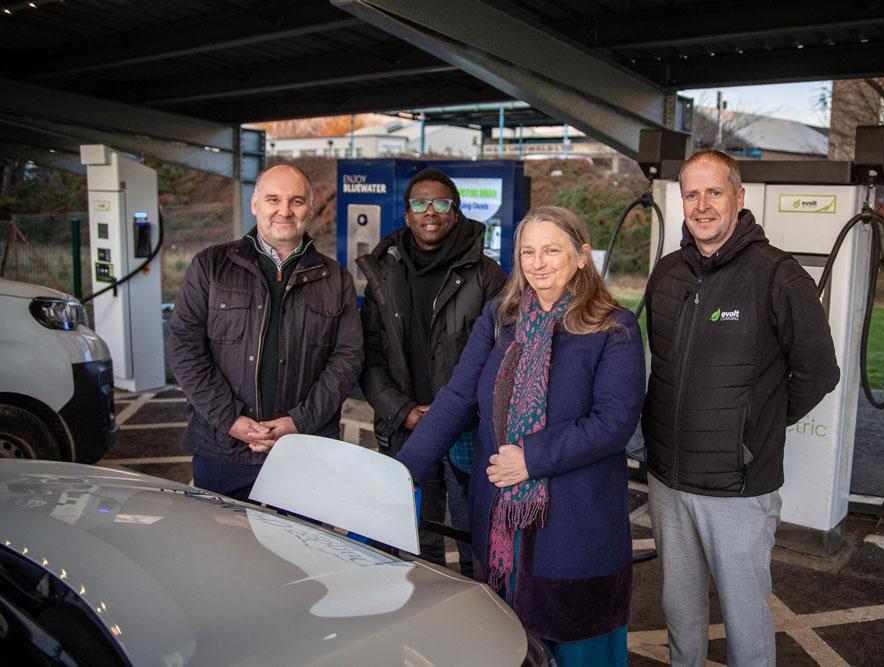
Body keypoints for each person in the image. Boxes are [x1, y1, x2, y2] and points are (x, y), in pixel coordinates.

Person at [396, 205, 645, 666]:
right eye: (528, 252)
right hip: (499, 519)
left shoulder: (614, 327)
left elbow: (614, 423)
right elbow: (457, 397)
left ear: (582, 256)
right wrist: (401, 472)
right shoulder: (500, 318)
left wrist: (531, 458)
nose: (538, 263)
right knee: (504, 642)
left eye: (551, 250)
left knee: (577, 645)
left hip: (575, 522)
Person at [642, 150, 840, 666]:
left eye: (714, 192)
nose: (702, 205)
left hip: (737, 488)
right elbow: (661, 364)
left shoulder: (777, 275)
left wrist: (755, 428)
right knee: (679, 613)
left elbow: (820, 371)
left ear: (739, 196)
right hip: (667, 481)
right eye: (691, 194)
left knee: (745, 620)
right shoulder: (667, 272)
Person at [168, 163, 364, 501]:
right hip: (222, 449)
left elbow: (348, 358)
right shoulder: (211, 266)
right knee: (219, 535)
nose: (284, 211)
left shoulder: (335, 278)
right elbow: (184, 348)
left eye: (296, 201)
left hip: (305, 450)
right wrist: (230, 418)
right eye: (273, 199)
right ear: (254, 204)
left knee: (299, 537)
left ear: (310, 208)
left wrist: (298, 422)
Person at [357, 167, 506, 575]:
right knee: (411, 545)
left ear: (455, 212)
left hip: (466, 432)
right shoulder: (382, 272)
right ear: (407, 214)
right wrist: (401, 409)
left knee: (475, 540)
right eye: (420, 203)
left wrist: (449, 414)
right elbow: (368, 353)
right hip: (403, 427)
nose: (430, 211)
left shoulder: (486, 275)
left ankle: (477, 611)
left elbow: (501, 359)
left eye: (441, 203)